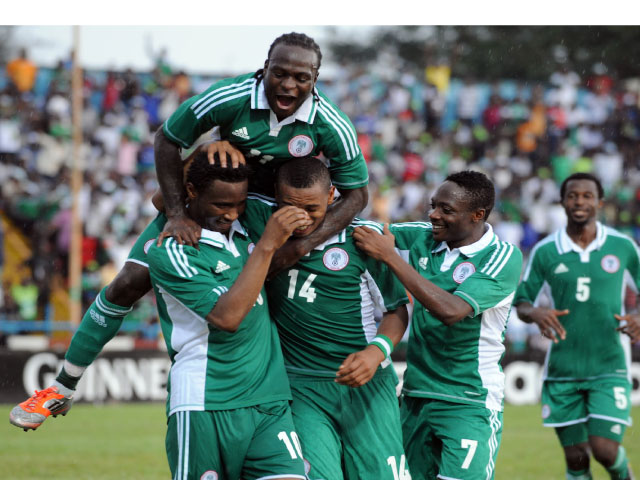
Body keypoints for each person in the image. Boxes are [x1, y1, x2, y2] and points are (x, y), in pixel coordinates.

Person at [10, 32, 368, 430]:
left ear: (316, 78)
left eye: (301, 77)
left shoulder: (330, 122)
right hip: (211, 205)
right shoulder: (228, 97)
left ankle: (302, 396)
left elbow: (357, 194)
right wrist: (178, 213)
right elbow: (166, 138)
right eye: (279, 73)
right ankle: (62, 387)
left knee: (284, 298)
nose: (289, 84)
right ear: (263, 68)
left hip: (270, 215)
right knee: (128, 281)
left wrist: (302, 246)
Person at [243, 157, 411, 479]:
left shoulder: (364, 238)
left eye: (312, 209)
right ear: (275, 197)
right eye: (290, 207)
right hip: (302, 386)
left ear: (332, 195)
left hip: (367, 385)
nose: (302, 219)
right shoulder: (260, 225)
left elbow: (396, 310)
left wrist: (376, 352)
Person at [149, 152, 310, 479]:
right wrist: (266, 245)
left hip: (269, 402)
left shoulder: (249, 226)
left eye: (239, 203)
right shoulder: (174, 251)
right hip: (206, 403)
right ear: (191, 191)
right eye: (221, 205)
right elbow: (227, 318)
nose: (232, 214)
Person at [353, 171, 523, 480]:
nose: (434, 214)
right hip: (416, 396)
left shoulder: (502, 257)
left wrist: (392, 258)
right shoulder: (424, 234)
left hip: (469, 399)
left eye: (446, 209)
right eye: (434, 205)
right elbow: (367, 232)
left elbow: (452, 310)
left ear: (477, 215)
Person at [514, 172, 639, 480]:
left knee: (604, 449)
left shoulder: (623, 247)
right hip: (562, 370)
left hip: (609, 366)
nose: (579, 201)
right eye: (573, 196)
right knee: (577, 458)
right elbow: (522, 302)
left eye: (586, 196)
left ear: (600, 202)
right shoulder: (545, 251)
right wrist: (536, 313)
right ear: (563, 201)